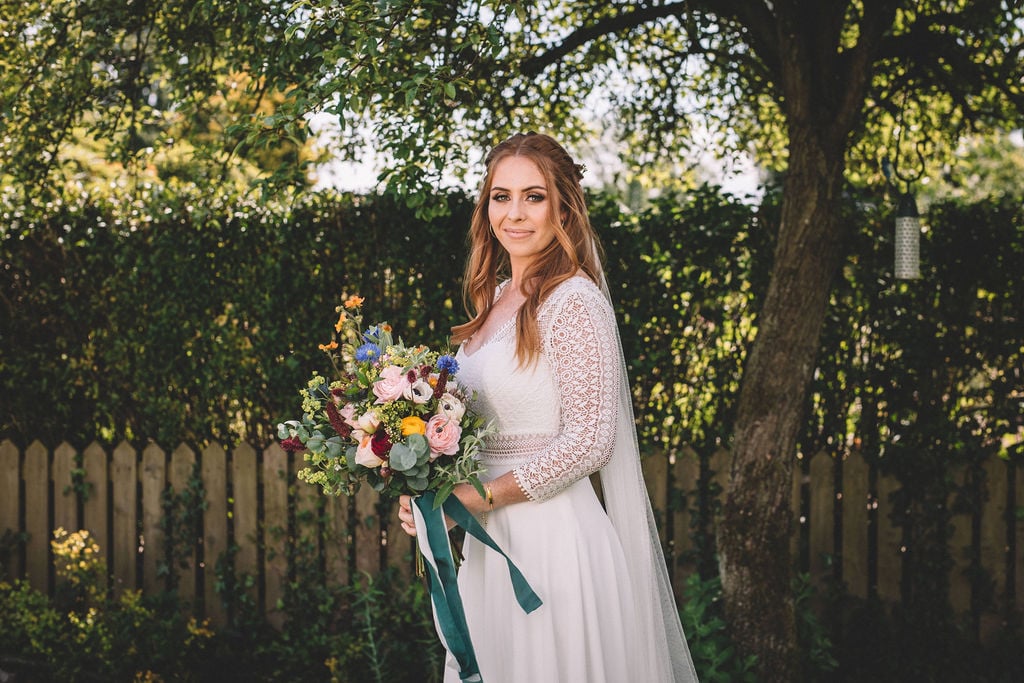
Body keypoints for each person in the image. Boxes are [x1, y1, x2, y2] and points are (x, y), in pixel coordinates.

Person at [397, 132, 699, 683]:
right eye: (501, 196)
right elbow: (469, 433)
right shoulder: (493, 300)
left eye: (533, 197)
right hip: (491, 548)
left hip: (553, 548)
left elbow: (590, 440)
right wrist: (430, 497)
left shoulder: (574, 301)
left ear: (563, 207)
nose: (515, 213)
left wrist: (471, 498)